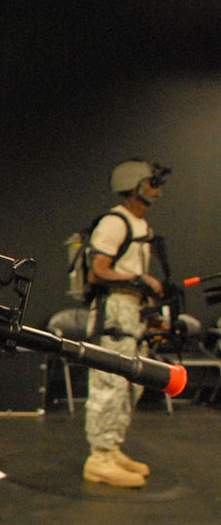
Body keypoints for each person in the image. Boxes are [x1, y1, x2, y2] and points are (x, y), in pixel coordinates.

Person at [82, 159, 168, 488]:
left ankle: (112, 446)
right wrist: (139, 278)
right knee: (110, 382)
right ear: (135, 185)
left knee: (131, 382)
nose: (157, 189)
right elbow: (98, 269)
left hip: (132, 309)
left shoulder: (140, 226)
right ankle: (99, 457)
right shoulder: (116, 222)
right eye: (152, 182)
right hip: (114, 308)